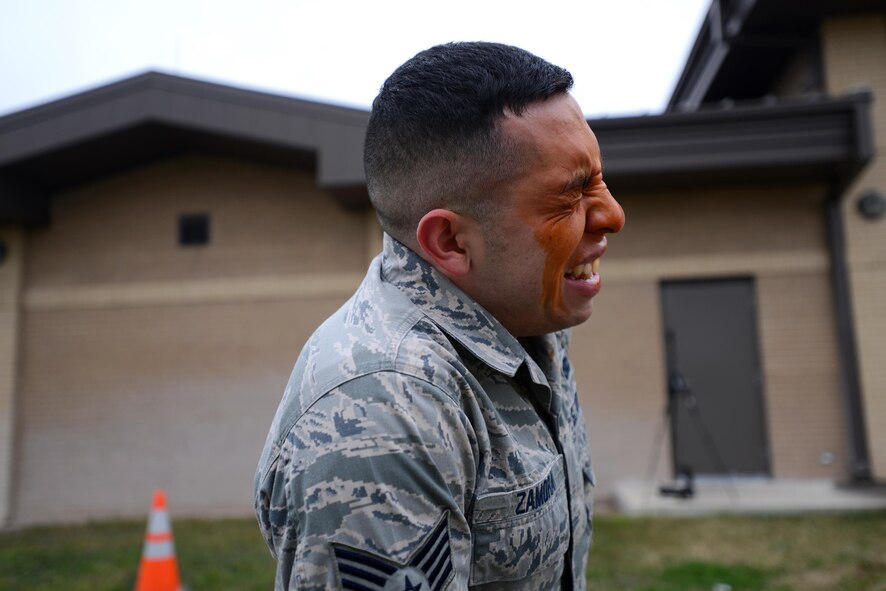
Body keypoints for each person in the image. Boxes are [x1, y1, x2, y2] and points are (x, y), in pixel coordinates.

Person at [255, 41, 625, 590]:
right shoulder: (387, 410)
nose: (612, 215)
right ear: (451, 241)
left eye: (598, 180)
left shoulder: (521, 318)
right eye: (567, 198)